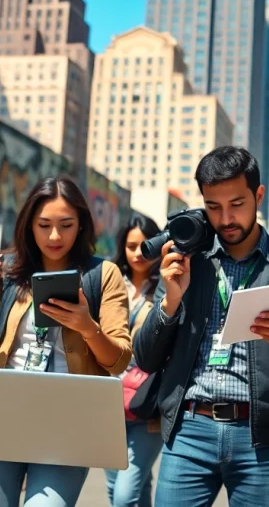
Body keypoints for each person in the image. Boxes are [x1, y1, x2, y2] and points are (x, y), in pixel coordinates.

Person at [132, 146, 269, 507]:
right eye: (213, 207)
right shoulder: (184, 259)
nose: (225, 218)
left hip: (260, 437)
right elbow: (146, 358)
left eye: (237, 204)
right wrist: (170, 301)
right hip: (188, 430)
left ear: (259, 195)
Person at [0, 176, 132, 507]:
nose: (54, 236)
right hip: (0, 414)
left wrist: (87, 327)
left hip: (67, 424)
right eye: (44, 225)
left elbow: (119, 359)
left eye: (66, 225)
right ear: (29, 225)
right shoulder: (6, 273)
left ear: (81, 225)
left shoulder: (104, 275)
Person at [105, 215, 166, 507]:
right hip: (107, 402)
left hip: (148, 403)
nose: (138, 253)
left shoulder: (169, 285)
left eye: (145, 245)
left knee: (124, 496)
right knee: (124, 487)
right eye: (131, 246)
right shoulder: (108, 283)